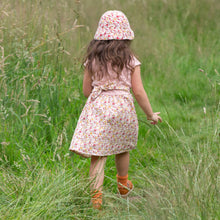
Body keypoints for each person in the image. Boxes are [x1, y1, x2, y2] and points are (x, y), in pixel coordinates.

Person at [69, 10, 162, 210]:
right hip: (122, 108)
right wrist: (150, 114)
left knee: (98, 155)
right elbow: (138, 91)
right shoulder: (130, 59)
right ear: (126, 35)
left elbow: (87, 91)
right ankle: (123, 187)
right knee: (122, 148)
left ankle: (96, 201)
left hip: (99, 108)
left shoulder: (92, 60)